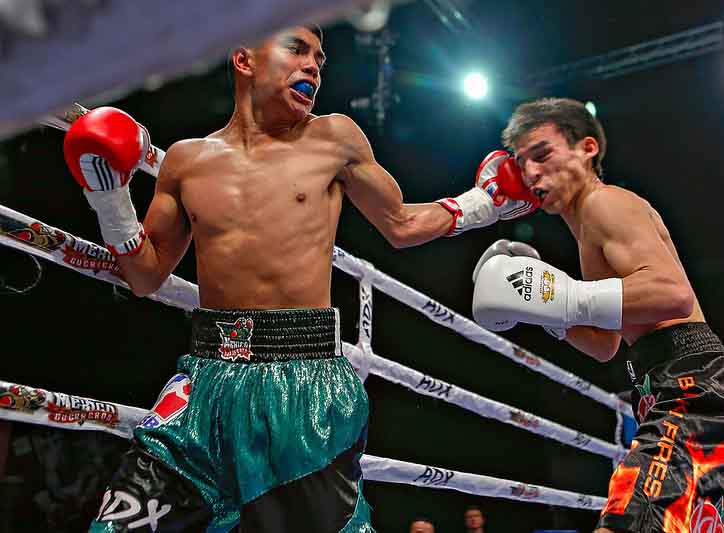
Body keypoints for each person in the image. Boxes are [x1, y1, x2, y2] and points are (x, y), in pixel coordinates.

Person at [62, 25, 539, 532]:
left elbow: (401, 225)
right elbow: (145, 276)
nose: (313, 64)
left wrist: (484, 202)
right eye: (296, 49)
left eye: (319, 58)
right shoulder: (185, 161)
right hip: (204, 385)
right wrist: (109, 196)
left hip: (305, 386)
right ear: (244, 59)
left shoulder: (333, 138)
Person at [471, 98, 724, 532]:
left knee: (623, 523)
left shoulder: (605, 205)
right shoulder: (586, 232)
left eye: (542, 154)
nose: (531, 173)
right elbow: (605, 345)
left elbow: (672, 295)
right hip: (675, 388)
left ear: (587, 148)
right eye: (521, 162)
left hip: (694, 387)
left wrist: (566, 296)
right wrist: (542, 308)